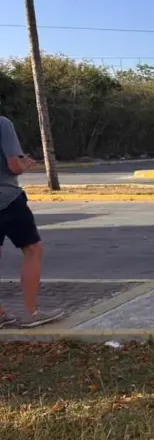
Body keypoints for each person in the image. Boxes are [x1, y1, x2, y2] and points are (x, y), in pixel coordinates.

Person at [0, 114, 64, 328]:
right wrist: (24, 164)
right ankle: (31, 313)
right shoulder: (3, 124)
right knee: (32, 249)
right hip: (6, 198)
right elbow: (14, 167)